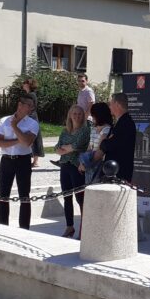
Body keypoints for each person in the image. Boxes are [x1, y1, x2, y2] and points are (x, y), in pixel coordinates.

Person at [0, 93, 39, 229]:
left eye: (32, 107)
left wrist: (14, 126)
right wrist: (18, 139)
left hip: (23, 161)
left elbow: (26, 143)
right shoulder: (4, 120)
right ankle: (3, 227)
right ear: (20, 105)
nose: (31, 109)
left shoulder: (33, 123)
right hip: (7, 160)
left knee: (24, 196)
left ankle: (24, 228)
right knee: (3, 195)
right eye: (29, 106)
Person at [54, 105, 91, 238]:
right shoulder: (65, 131)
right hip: (65, 166)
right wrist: (67, 148)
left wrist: (67, 148)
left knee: (80, 197)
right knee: (66, 197)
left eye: (79, 114)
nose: (76, 116)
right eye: (74, 113)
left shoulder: (85, 131)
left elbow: (76, 146)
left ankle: (84, 228)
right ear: (70, 115)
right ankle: (69, 227)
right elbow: (57, 148)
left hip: (76, 167)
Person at [99, 92, 136, 182]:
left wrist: (104, 142)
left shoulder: (126, 123)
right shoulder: (120, 122)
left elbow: (109, 145)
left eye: (111, 104)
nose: (109, 107)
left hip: (119, 172)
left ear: (117, 104)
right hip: (113, 171)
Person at [79, 102, 113, 184]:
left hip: (98, 164)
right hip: (90, 162)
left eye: (93, 115)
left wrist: (86, 164)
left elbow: (100, 150)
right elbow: (89, 147)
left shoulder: (107, 129)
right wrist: (82, 162)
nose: (92, 117)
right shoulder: (93, 128)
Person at [22, 78, 46, 168]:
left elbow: (30, 108)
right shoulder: (29, 95)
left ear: (29, 84)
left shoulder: (31, 95)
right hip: (29, 118)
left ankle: (35, 161)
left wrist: (26, 118)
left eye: (25, 82)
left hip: (31, 118)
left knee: (34, 139)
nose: (23, 84)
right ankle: (32, 160)